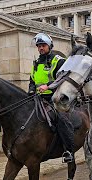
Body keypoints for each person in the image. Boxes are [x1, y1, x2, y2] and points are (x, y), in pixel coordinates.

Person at [28, 33, 74, 163]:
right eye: (38, 46)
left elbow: (64, 78)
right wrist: (31, 90)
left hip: (54, 98)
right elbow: (32, 80)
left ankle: (68, 150)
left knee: (62, 119)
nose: (40, 48)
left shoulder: (58, 60)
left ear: (49, 46)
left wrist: (48, 86)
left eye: (43, 45)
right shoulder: (36, 62)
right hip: (38, 98)